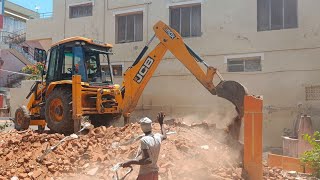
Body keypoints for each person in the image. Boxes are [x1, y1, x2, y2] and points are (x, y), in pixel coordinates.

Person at [121, 112, 167, 180]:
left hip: (145, 174)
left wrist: (130, 162)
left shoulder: (144, 140)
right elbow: (165, 136)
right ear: (151, 126)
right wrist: (161, 123)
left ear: (142, 127)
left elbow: (147, 160)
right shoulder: (157, 137)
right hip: (154, 173)